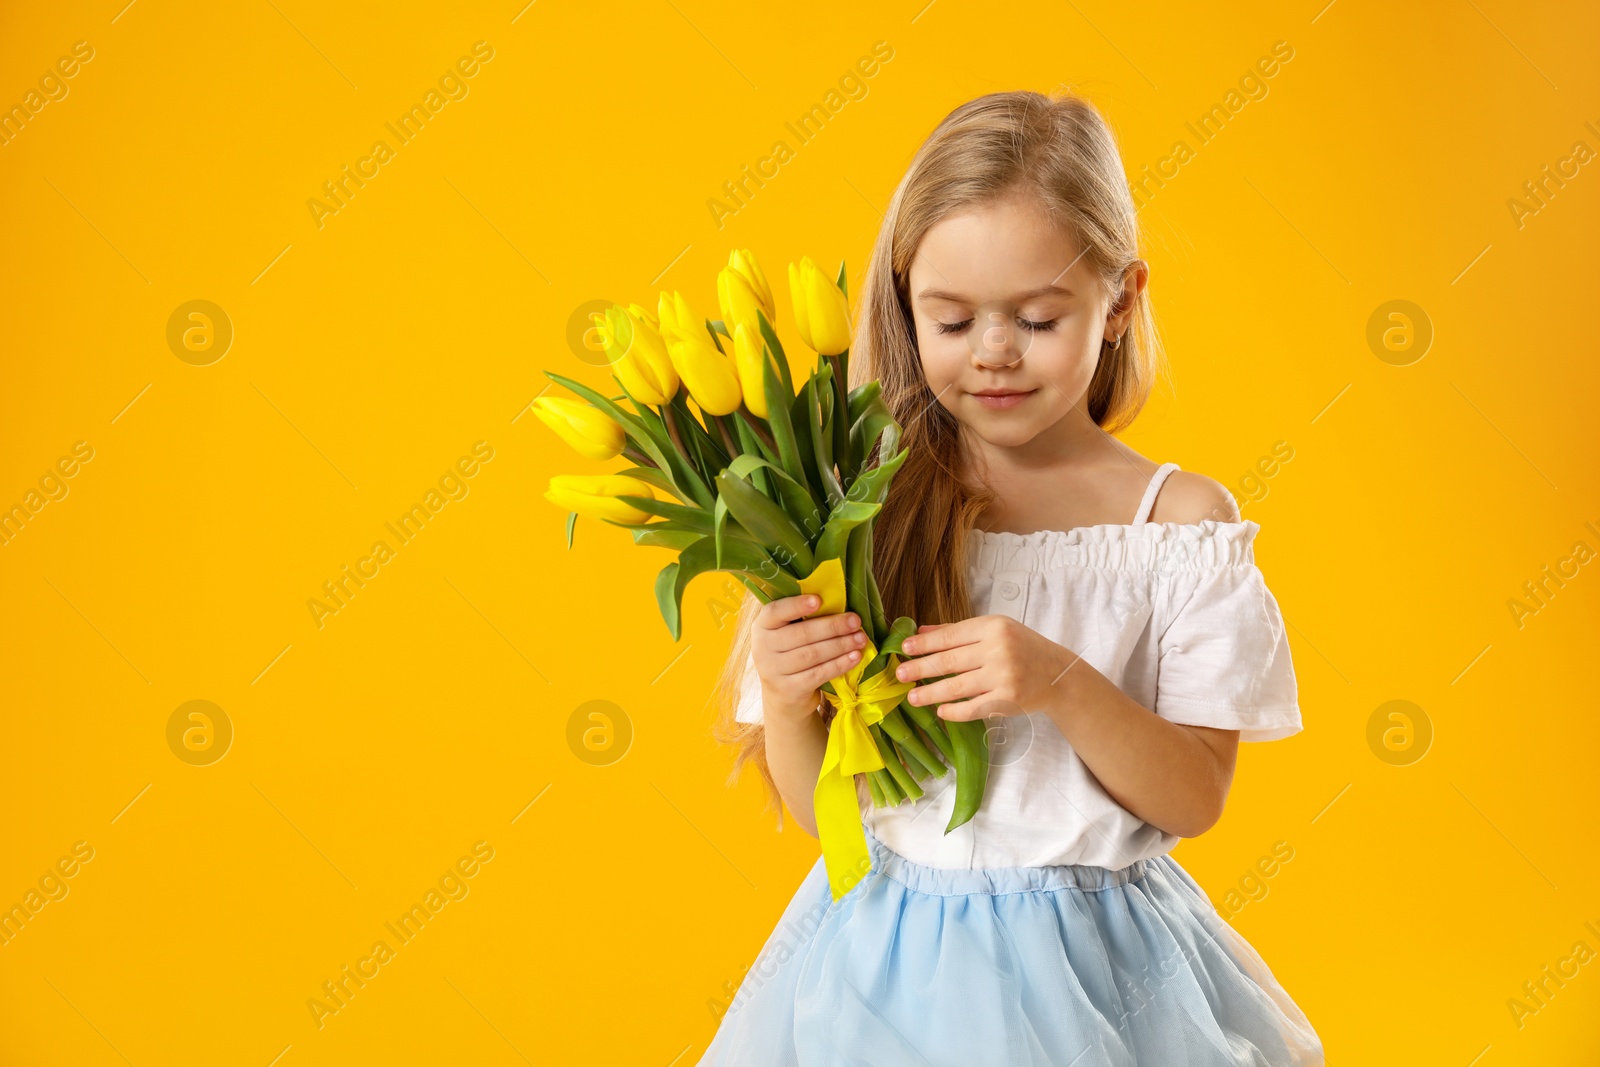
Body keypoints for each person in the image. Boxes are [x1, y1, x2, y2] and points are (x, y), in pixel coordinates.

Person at [700, 89, 1325, 1066]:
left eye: (1035, 317)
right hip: (882, 966)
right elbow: (835, 814)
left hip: (1103, 973)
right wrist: (786, 696)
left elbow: (1194, 797)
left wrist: (1058, 681)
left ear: (1118, 301)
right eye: (949, 320)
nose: (991, 352)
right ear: (904, 301)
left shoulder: (1176, 527)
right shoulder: (858, 500)